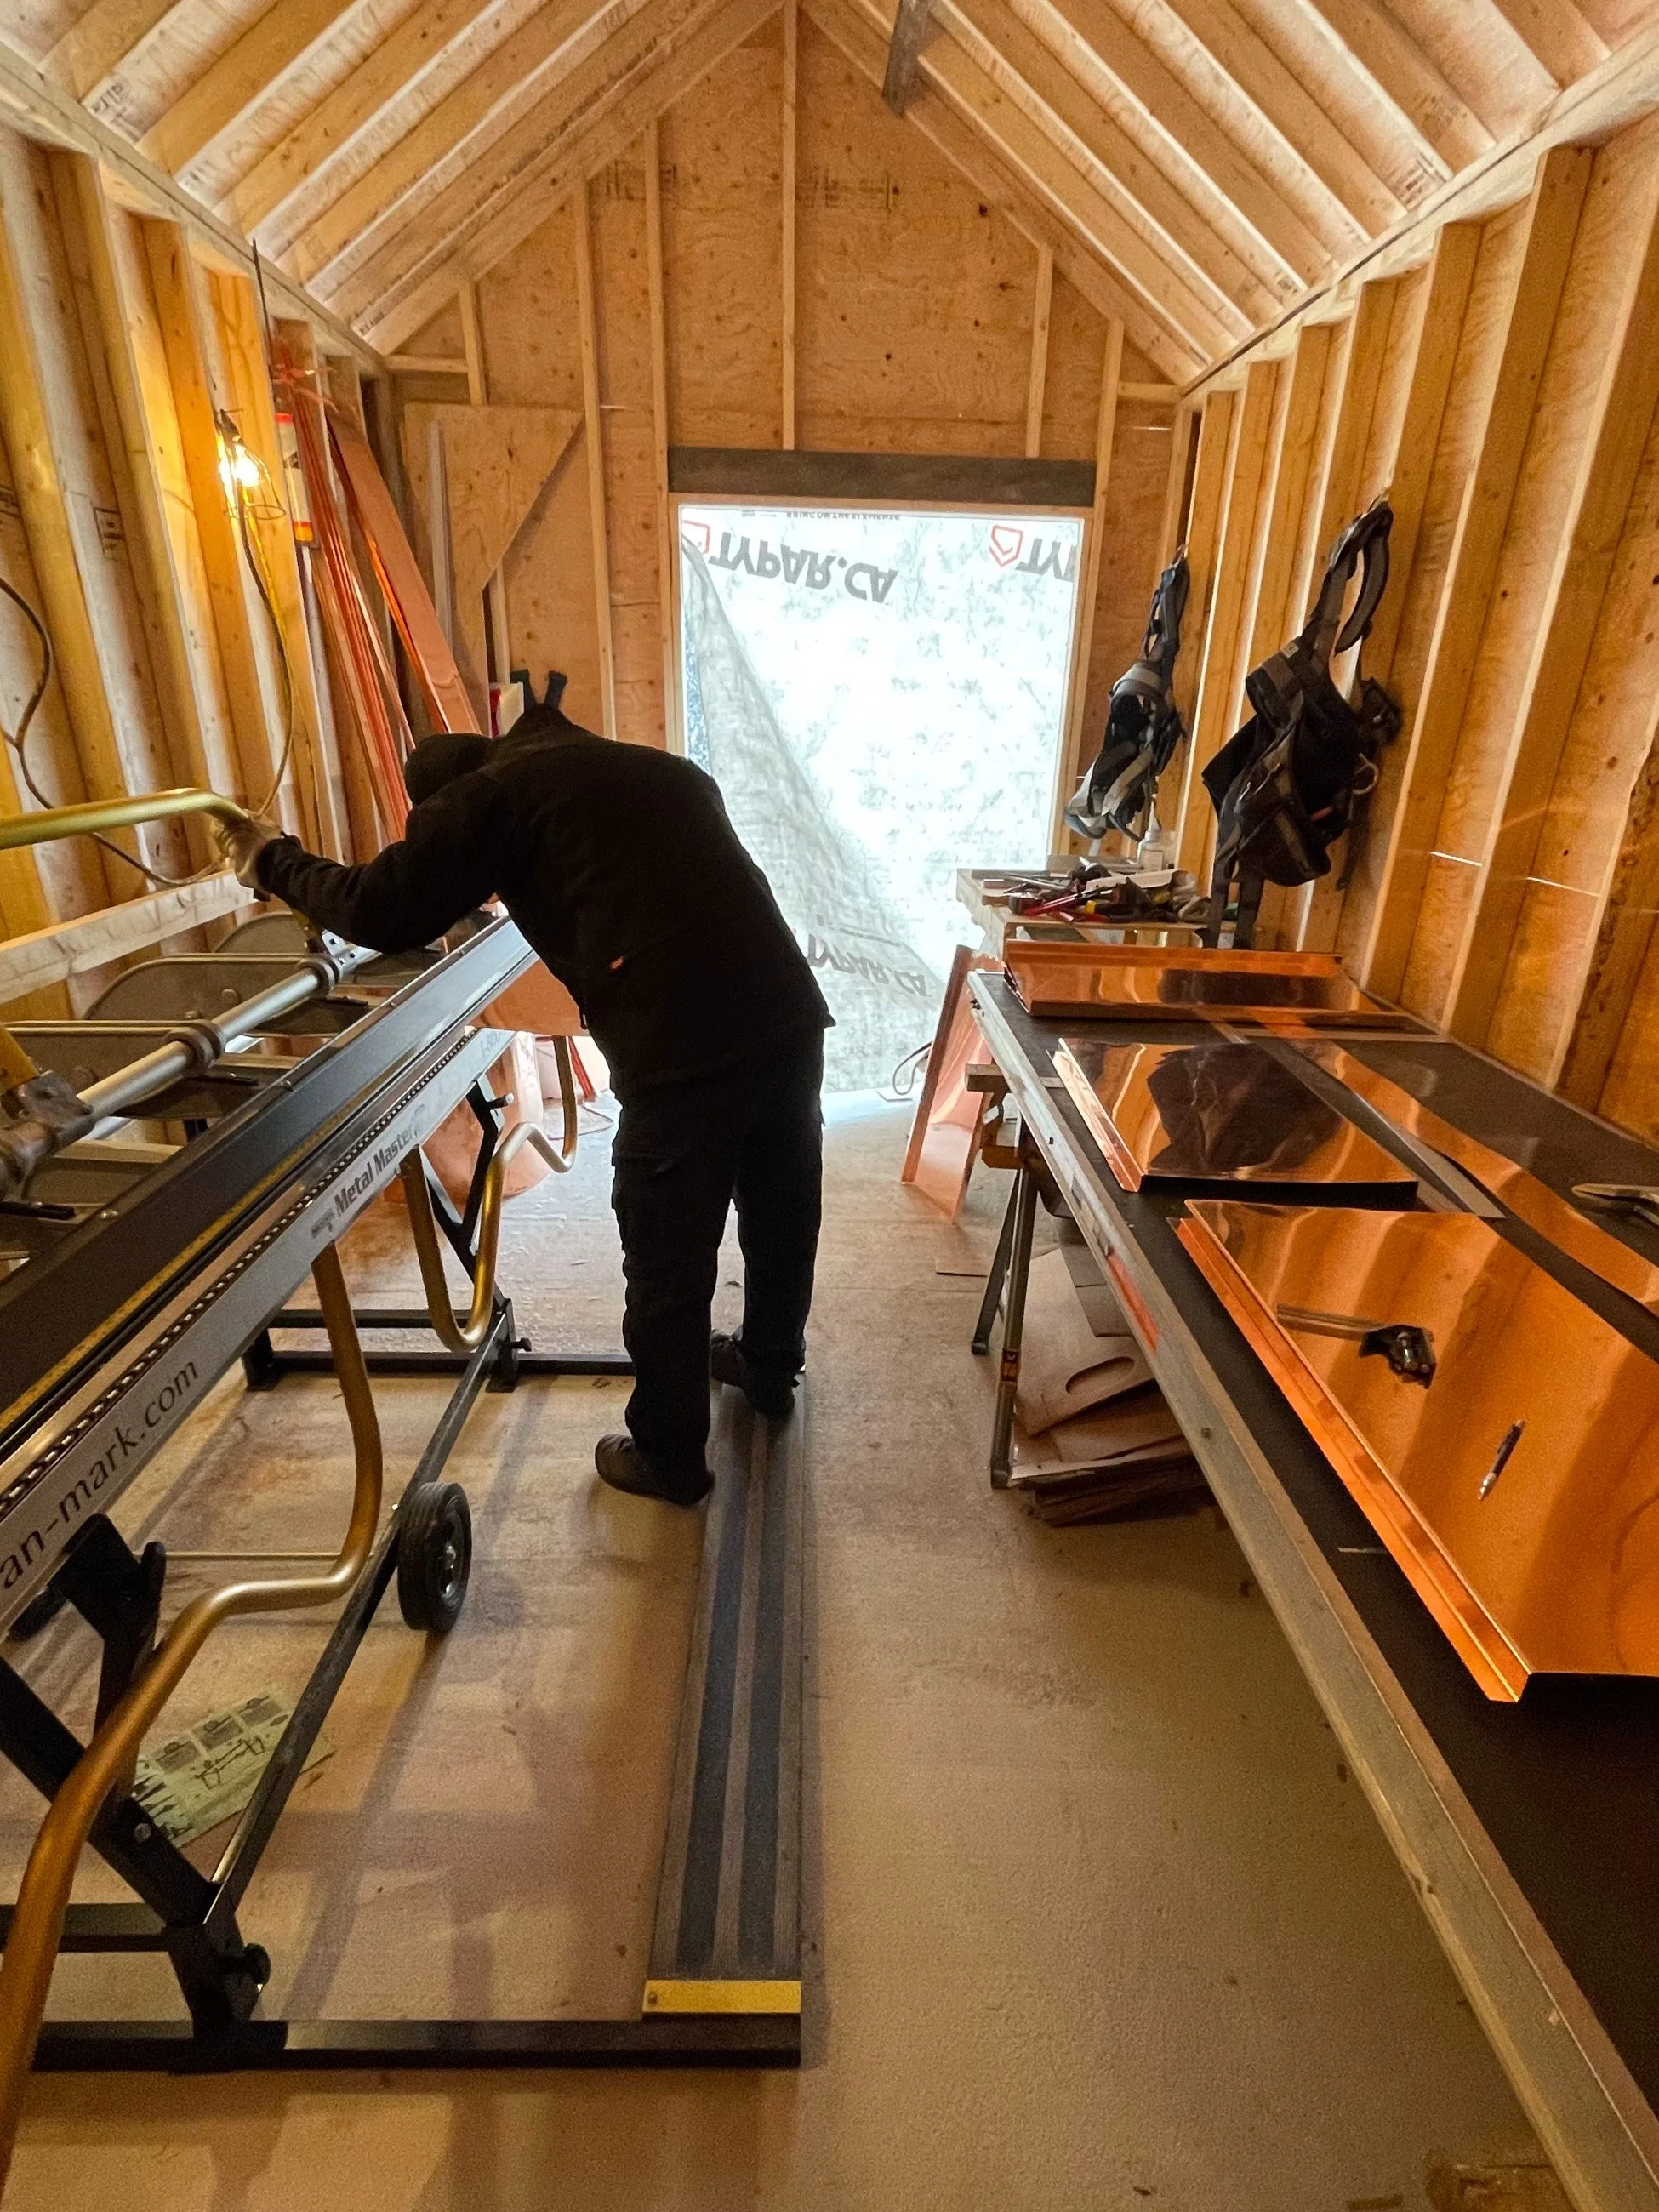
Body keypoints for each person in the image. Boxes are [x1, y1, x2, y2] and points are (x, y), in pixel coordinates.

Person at [217, 682, 830, 1508]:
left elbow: (379, 905)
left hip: (680, 1048)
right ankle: (767, 1367)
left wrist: (272, 858)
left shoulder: (489, 798)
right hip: (786, 1016)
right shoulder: (654, 769)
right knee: (780, 1204)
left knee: (667, 1253)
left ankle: (671, 1456)